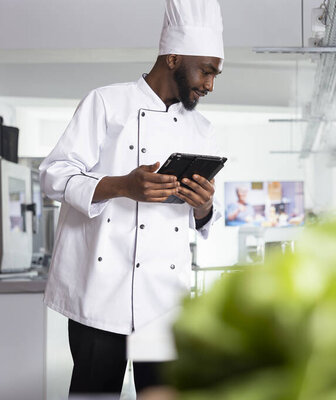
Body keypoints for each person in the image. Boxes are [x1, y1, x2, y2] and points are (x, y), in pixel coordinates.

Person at [39, 0, 225, 394]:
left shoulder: (202, 130)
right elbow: (54, 175)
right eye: (206, 71)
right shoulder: (106, 103)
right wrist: (122, 185)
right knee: (94, 393)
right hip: (99, 293)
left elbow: (208, 218)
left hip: (164, 301)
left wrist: (204, 205)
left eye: (214, 75)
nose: (210, 85)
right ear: (174, 58)